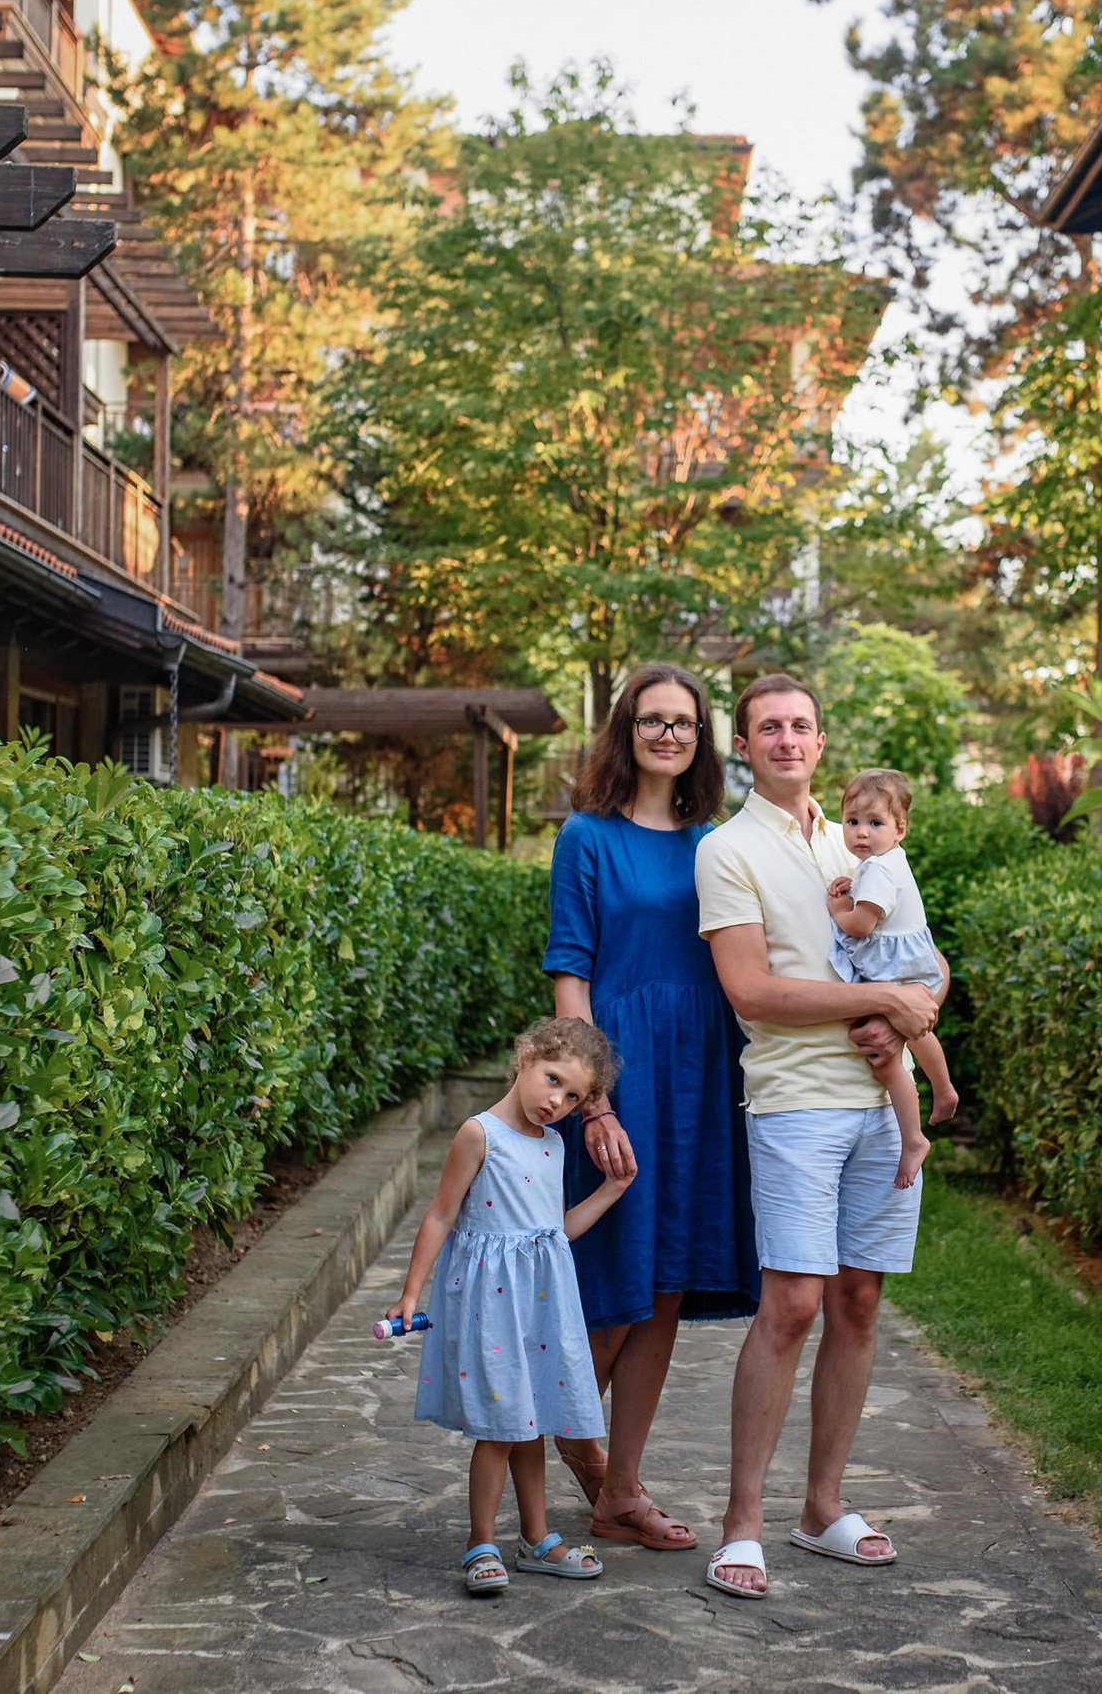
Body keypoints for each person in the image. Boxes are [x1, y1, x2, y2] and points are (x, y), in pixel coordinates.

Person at [692, 674, 945, 1602]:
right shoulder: (726, 850)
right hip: (797, 1099)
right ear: (746, 747)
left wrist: (915, 1005)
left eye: (800, 725)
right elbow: (751, 990)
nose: (787, 739)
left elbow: (927, 954)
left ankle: (821, 1508)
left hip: (886, 1100)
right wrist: (876, 999)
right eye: (769, 728)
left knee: (861, 1300)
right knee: (793, 1301)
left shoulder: (861, 835)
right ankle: (743, 1524)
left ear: (821, 741)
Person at [542, 663, 759, 1553]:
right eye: (652, 718)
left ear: (701, 738)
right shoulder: (585, 836)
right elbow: (569, 970)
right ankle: (544, 1432)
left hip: (702, 1072)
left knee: (664, 1283)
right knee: (612, 1291)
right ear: (624, 727)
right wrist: (593, 1100)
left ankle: (618, 1488)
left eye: (685, 722)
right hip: (621, 1067)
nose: (669, 733)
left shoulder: (715, 840)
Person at [384, 1017, 634, 1595]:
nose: (558, 1101)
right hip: (492, 1309)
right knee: (500, 1428)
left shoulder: (552, 1145)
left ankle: (538, 1539)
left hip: (541, 1310)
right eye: (552, 1080)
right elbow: (442, 1215)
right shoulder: (480, 1134)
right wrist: (410, 1293)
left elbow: (554, 1232)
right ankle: (481, 1543)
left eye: (573, 1096)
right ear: (525, 1058)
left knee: (534, 1424)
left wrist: (611, 1190)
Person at [824, 767, 957, 1189]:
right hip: (911, 962)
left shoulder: (879, 870)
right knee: (916, 1034)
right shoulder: (884, 862)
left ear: (900, 828)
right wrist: (855, 881)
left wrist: (837, 910)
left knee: (888, 1064)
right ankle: (944, 1086)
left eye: (875, 823)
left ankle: (914, 1138)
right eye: (853, 822)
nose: (861, 833)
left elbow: (862, 923)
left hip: (895, 970)